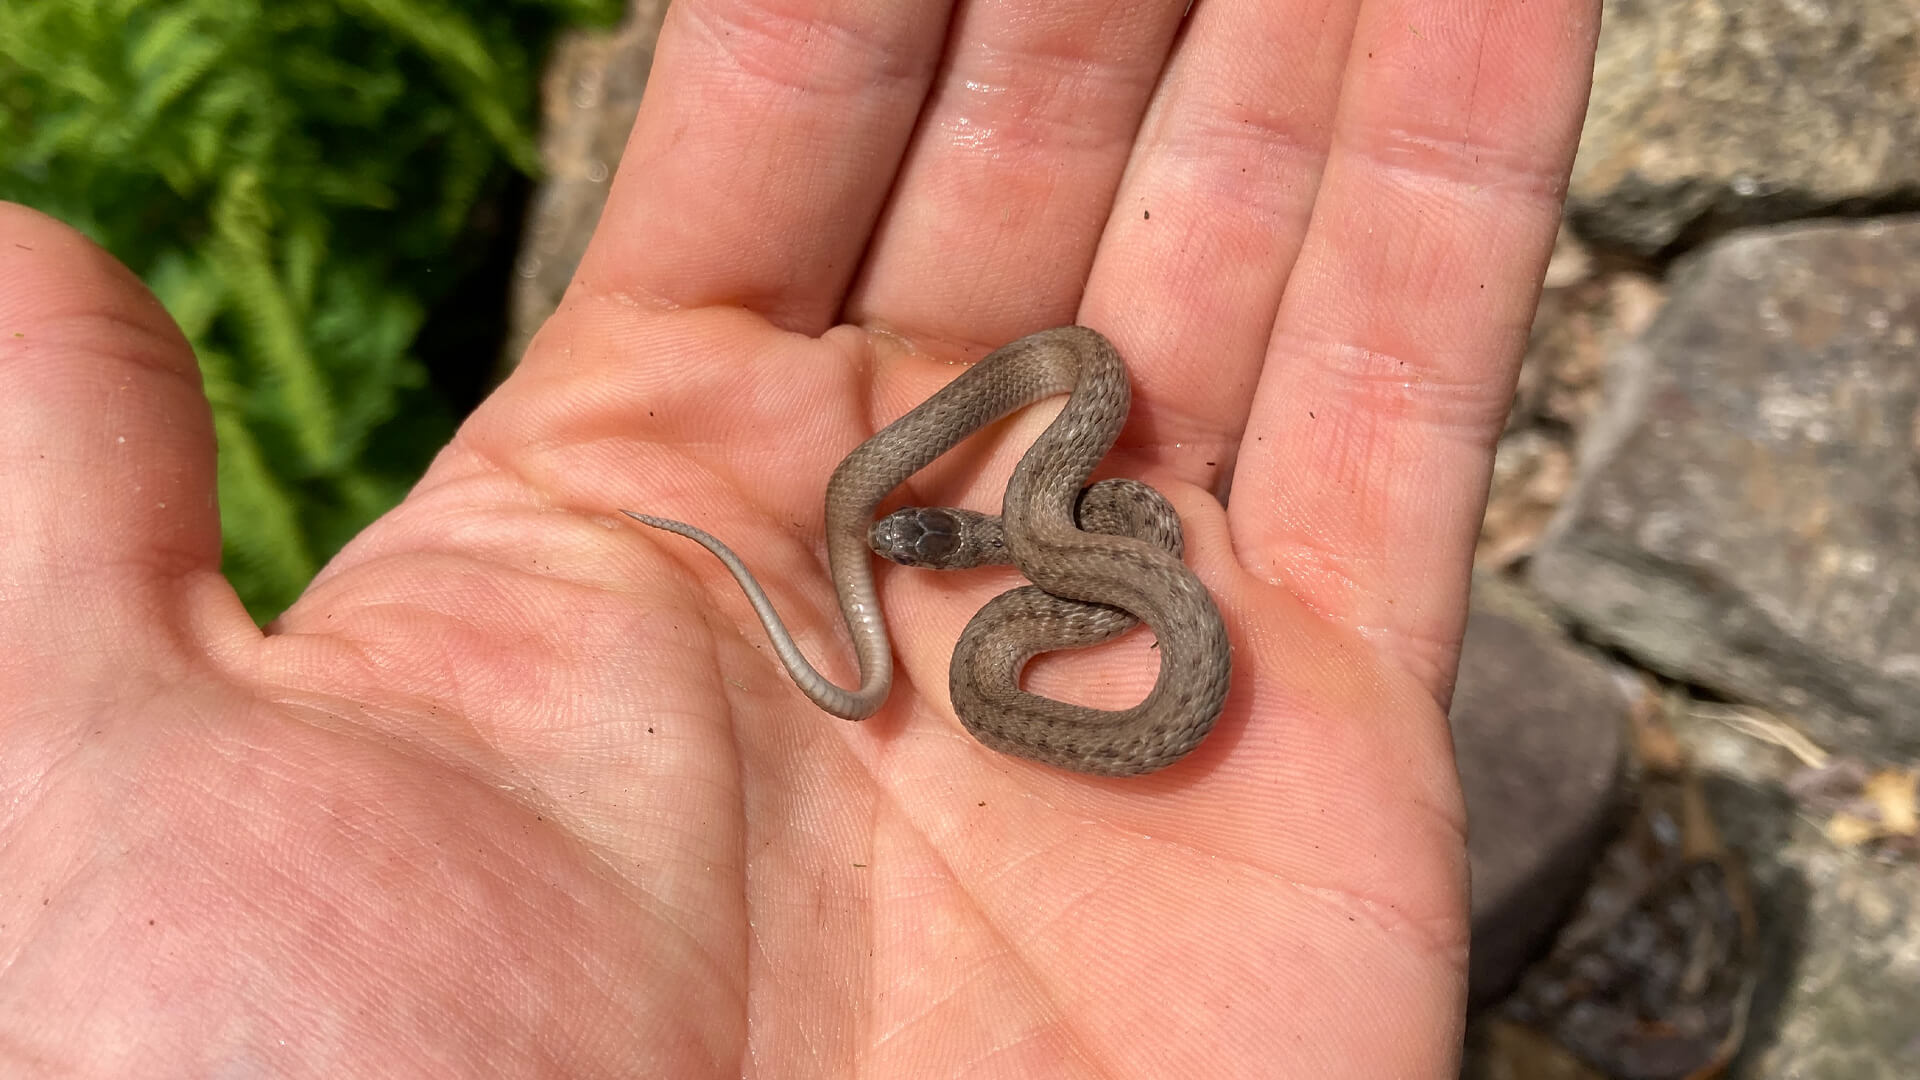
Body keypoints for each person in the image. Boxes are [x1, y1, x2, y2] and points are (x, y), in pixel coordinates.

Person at [0, 0, 1601, 1073]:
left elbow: (1076, 517)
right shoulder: (1043, 559)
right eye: (901, 533)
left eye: (906, 535)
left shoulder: (1059, 540)